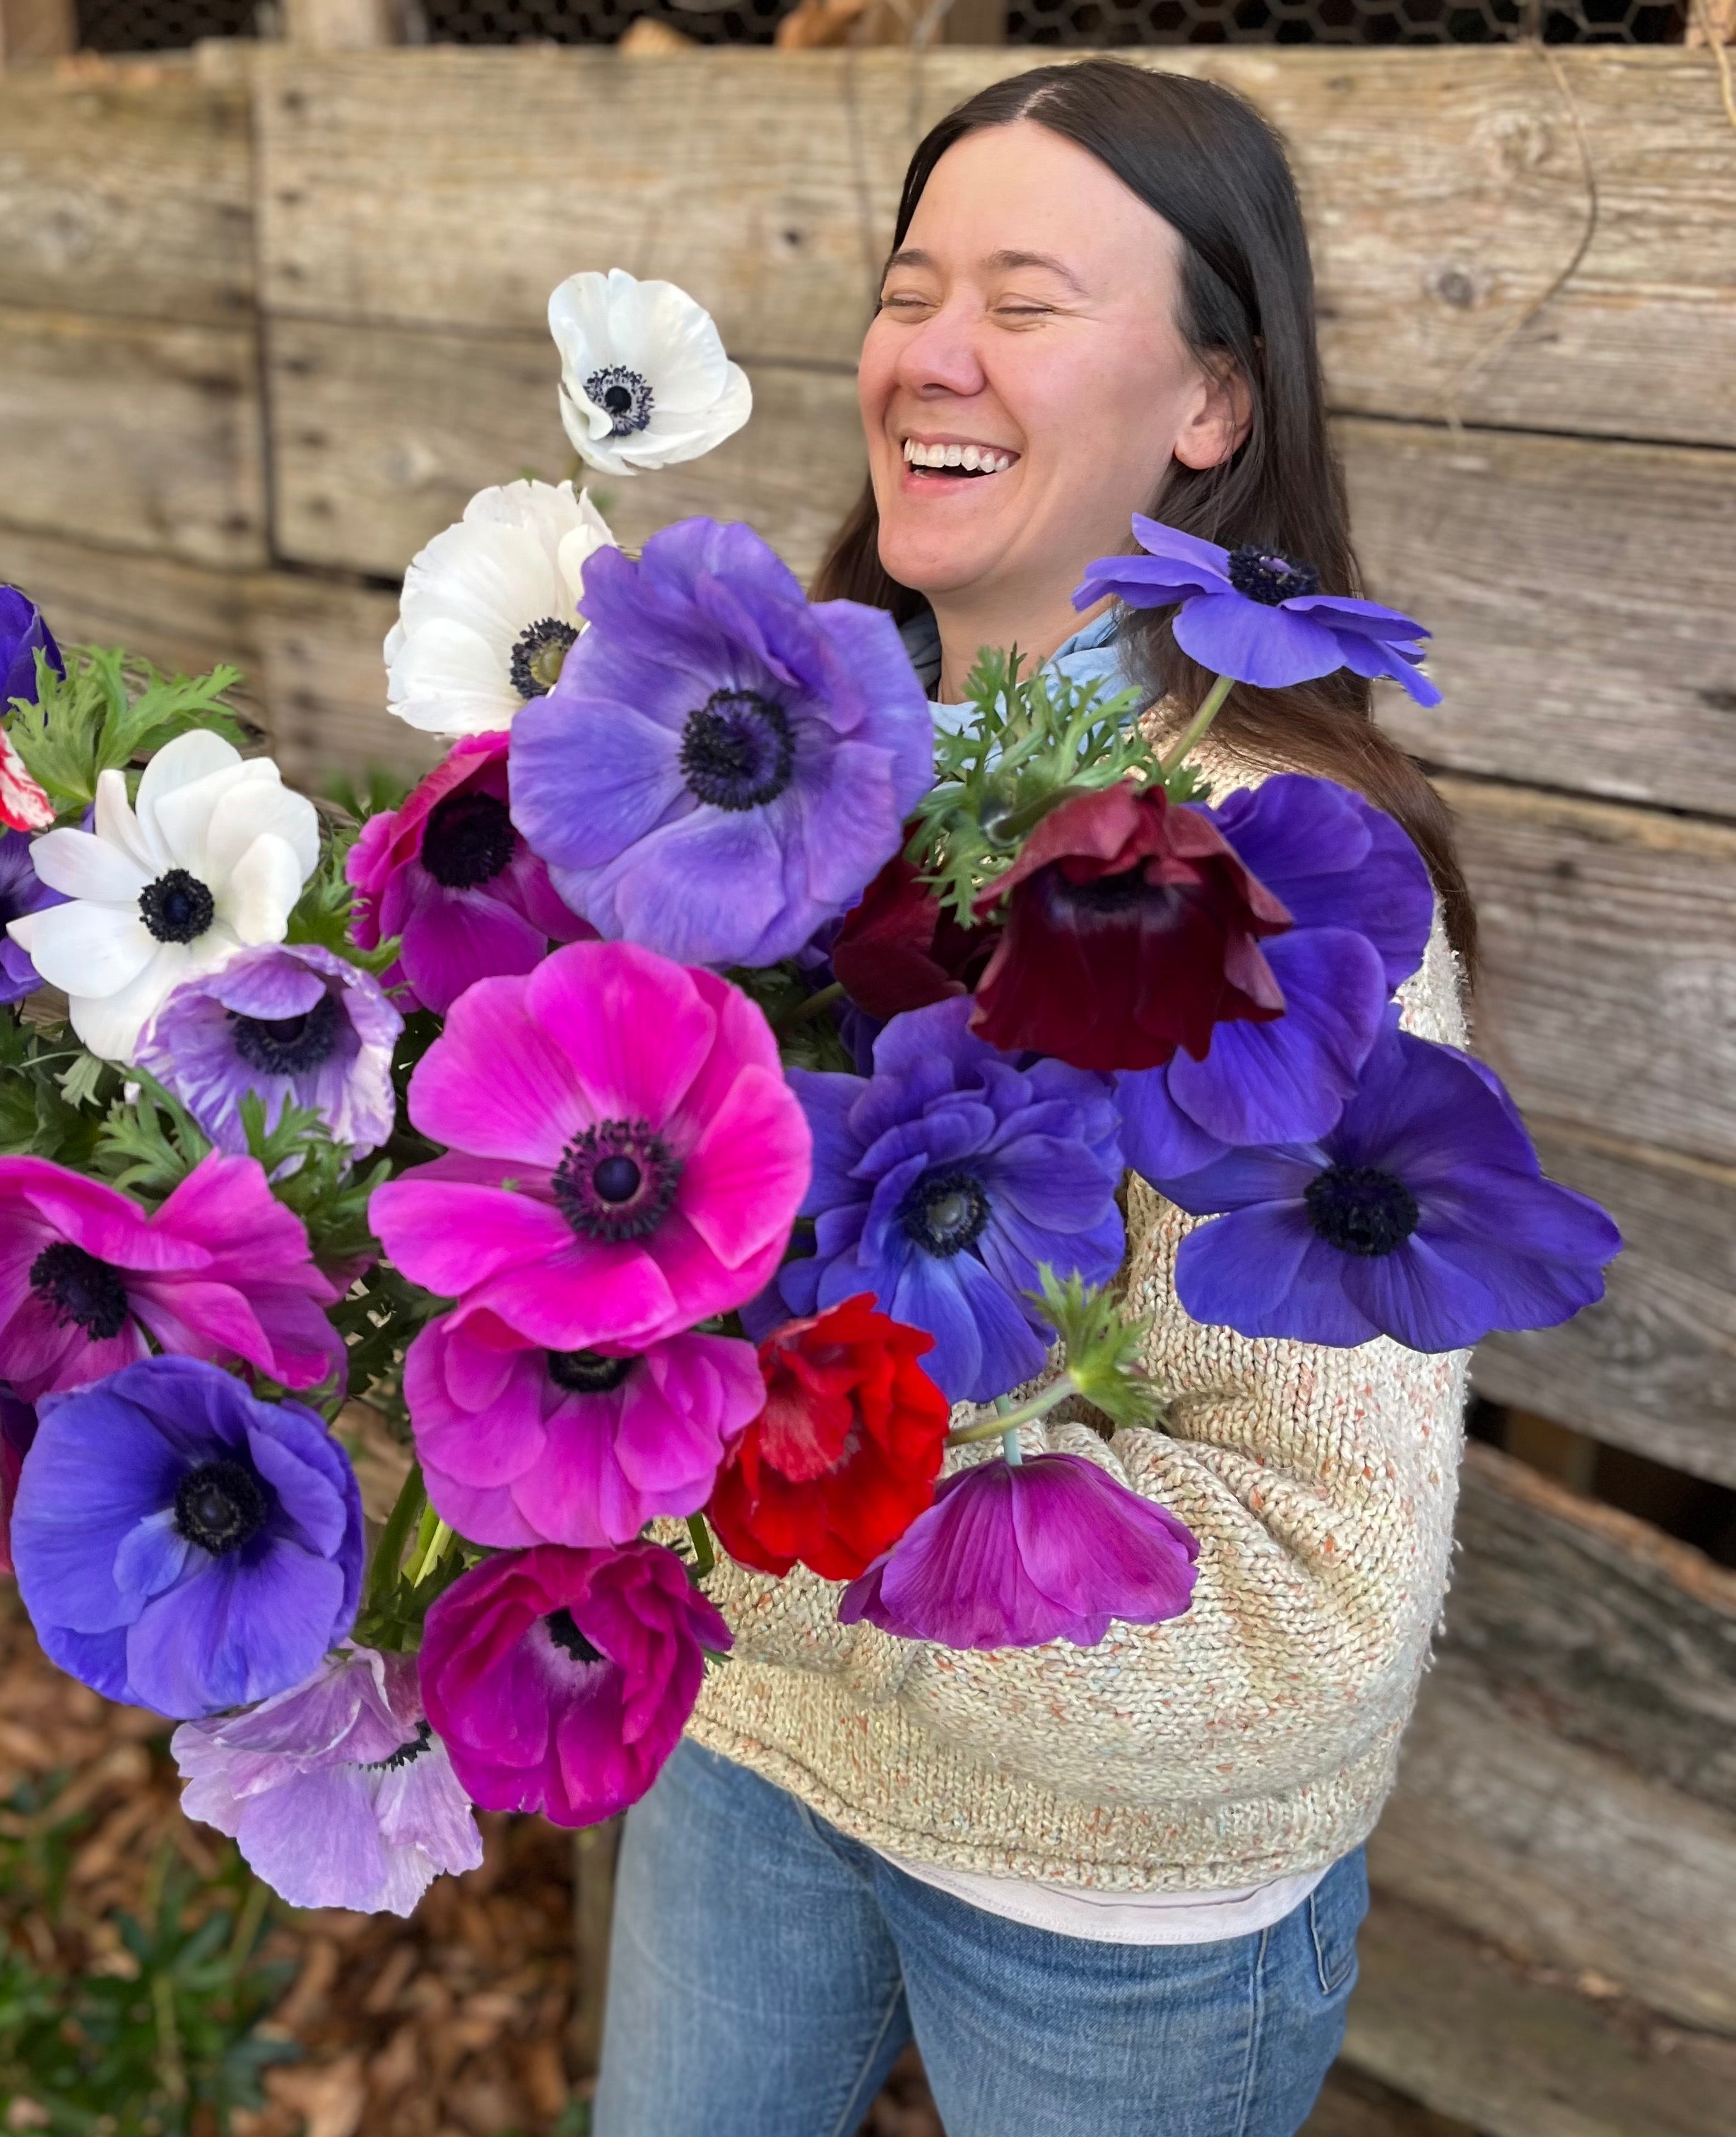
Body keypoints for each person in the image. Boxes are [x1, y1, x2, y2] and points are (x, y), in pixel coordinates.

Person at [593, 59, 1476, 2137]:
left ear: (1213, 406)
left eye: (1030, 295)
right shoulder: (762, 780)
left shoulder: (1292, 896)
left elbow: (1309, 1617)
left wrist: (693, 1519)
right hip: (759, 1765)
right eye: (912, 286)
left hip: (1113, 1910)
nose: (936, 352)